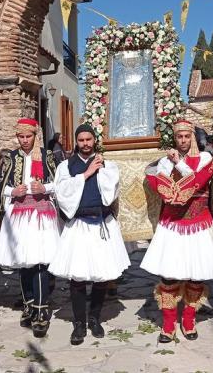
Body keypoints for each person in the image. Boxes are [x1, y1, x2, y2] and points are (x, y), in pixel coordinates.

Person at [141, 119, 213, 343]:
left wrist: (178, 164)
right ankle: (168, 323)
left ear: (193, 138)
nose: (183, 141)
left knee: (195, 275)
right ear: (174, 138)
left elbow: (197, 181)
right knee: (169, 275)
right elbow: (159, 184)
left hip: (198, 222)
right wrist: (166, 177)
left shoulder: (205, 158)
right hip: (172, 223)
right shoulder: (165, 161)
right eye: (179, 137)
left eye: (186, 136)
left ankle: (189, 319)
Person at [49, 124, 130, 346]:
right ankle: (79, 323)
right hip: (79, 225)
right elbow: (61, 192)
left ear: (94, 140)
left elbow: (110, 193)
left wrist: (99, 169)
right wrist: (86, 174)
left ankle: (94, 318)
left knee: (101, 275)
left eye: (89, 139)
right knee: (77, 277)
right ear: (76, 142)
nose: (85, 143)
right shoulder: (66, 166)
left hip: (102, 224)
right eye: (81, 140)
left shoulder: (107, 165)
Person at [0, 118, 59, 338]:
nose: (24, 140)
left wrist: (45, 187)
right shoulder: (10, 158)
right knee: (24, 262)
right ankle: (29, 304)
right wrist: (13, 191)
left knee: (39, 262)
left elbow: (59, 182)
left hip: (42, 213)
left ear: (35, 136)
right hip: (19, 214)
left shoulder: (48, 156)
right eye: (21, 137)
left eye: (28, 136)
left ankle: (41, 310)